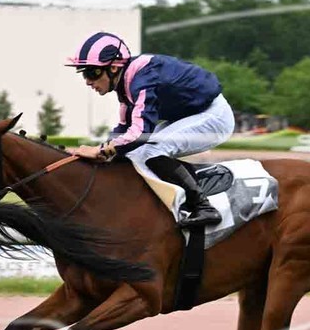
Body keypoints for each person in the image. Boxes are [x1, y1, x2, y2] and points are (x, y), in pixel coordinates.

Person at [66, 32, 235, 228]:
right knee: (135, 153)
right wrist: (103, 151)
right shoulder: (126, 81)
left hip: (214, 116)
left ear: (113, 67)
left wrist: (101, 150)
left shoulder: (142, 79)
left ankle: (203, 206)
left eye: (91, 72)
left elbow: (139, 133)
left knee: (152, 150)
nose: (88, 81)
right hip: (191, 114)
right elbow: (124, 129)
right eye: (84, 74)